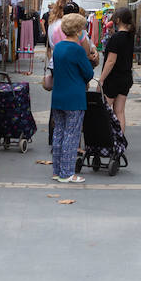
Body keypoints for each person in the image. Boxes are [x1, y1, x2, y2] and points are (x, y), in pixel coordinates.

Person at [50, 13, 94, 183]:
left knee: (59, 133)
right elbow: (88, 73)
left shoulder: (59, 47)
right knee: (72, 135)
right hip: (74, 96)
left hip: (58, 95)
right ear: (77, 30)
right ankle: (68, 172)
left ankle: (57, 170)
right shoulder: (77, 49)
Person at [100, 6, 136, 128]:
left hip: (113, 79)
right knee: (119, 111)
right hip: (126, 77)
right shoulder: (130, 37)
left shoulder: (115, 38)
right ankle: (120, 140)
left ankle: (104, 141)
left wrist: (101, 79)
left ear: (118, 20)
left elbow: (111, 61)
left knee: (103, 110)